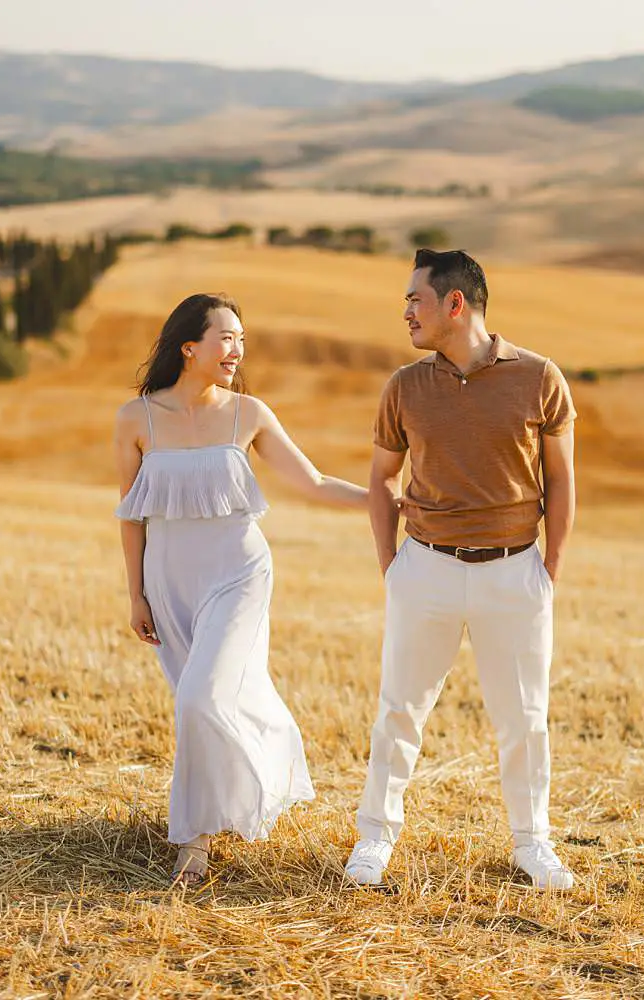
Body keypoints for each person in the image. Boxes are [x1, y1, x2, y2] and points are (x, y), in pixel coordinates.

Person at [114, 292, 369, 886]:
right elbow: (130, 515)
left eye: (242, 339)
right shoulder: (137, 418)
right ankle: (217, 811)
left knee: (200, 698)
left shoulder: (248, 413)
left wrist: (385, 500)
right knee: (199, 703)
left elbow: (313, 480)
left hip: (239, 574)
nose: (237, 350)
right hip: (169, 582)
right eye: (226, 337)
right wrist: (136, 594)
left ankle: (195, 844)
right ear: (189, 347)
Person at [346, 249, 578, 890]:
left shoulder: (539, 377)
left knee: (525, 719)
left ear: (456, 304)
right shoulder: (405, 386)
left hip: (516, 574)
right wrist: (393, 566)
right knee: (398, 713)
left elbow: (560, 481)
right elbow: (381, 480)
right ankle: (374, 840)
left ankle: (534, 844)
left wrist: (547, 569)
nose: (406, 313)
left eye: (414, 300)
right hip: (425, 571)